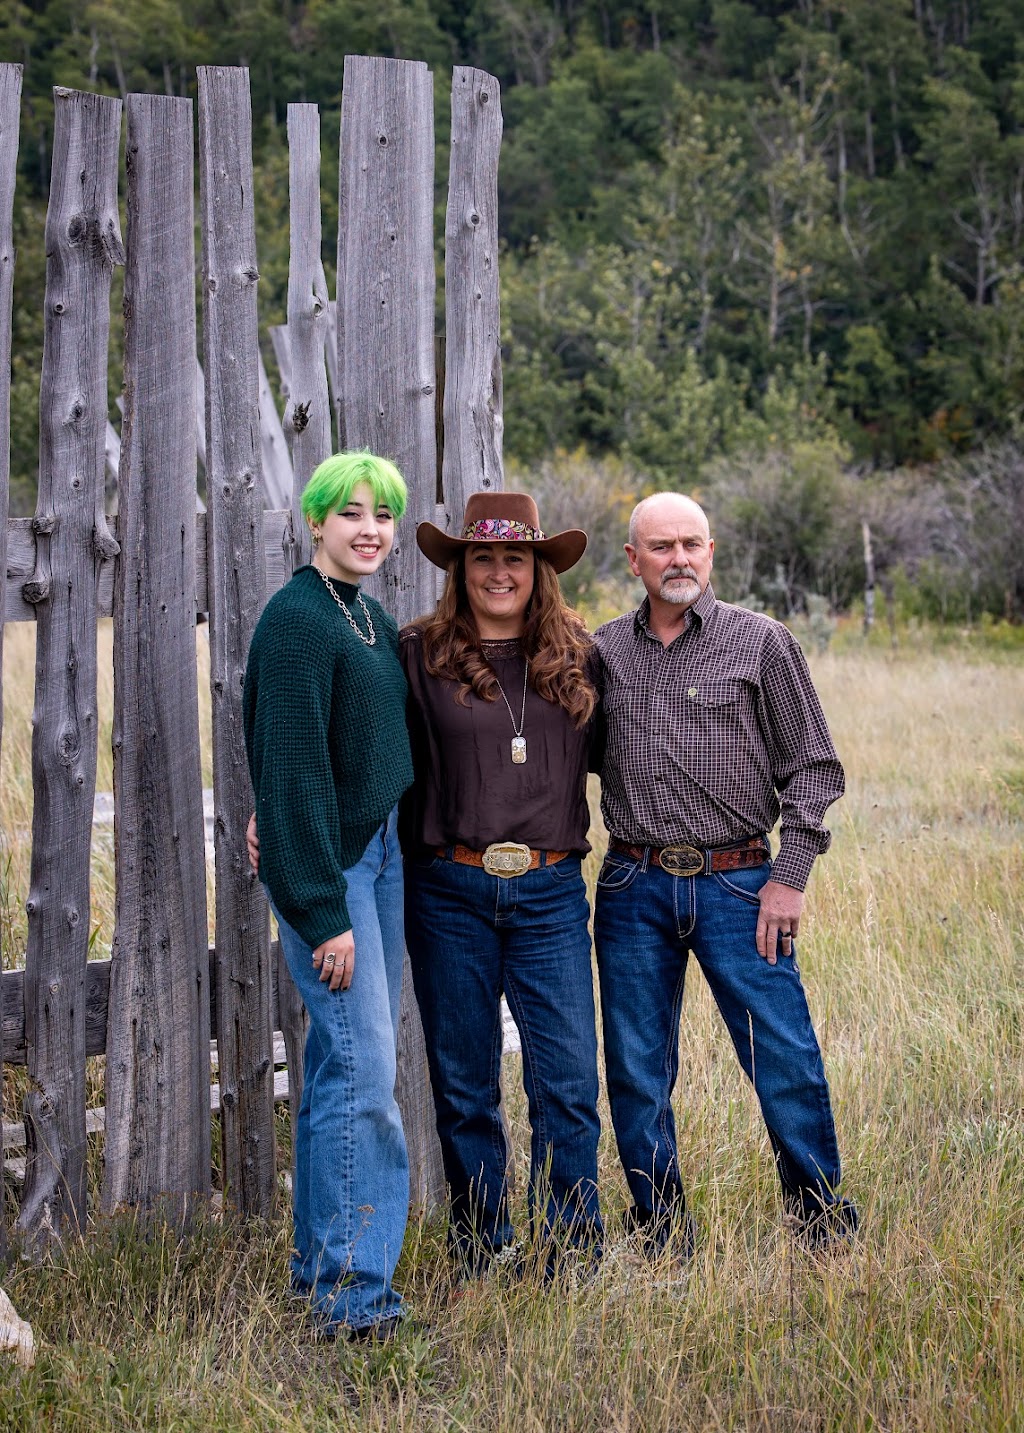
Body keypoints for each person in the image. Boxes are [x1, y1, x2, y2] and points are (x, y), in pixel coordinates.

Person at [592, 491, 857, 1252]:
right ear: (633, 558)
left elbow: (814, 765)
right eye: (662, 546)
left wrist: (792, 872)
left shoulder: (761, 643)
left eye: (693, 544)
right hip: (631, 884)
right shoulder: (603, 652)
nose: (679, 559)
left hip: (741, 882)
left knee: (782, 1051)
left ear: (711, 553)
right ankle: (660, 1231)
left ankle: (821, 1222)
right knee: (638, 1066)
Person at [401, 492, 604, 1278]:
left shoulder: (581, 658)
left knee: (567, 1077)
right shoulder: (418, 655)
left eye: (513, 558)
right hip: (449, 888)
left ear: (539, 568)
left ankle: (568, 1251)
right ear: (460, 568)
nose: (497, 572)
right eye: (481, 557)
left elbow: (627, 753)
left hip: (551, 892)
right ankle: (484, 1247)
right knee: (465, 1081)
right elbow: (370, 749)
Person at [242, 451, 414, 1340]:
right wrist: (318, 908)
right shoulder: (300, 619)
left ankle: (321, 1271)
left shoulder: (366, 616)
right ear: (315, 520)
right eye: (350, 513)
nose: (369, 530)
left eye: (381, 514)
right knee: (363, 1074)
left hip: (377, 856)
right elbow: (291, 765)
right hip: (335, 874)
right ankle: (357, 1302)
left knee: (336, 1071)